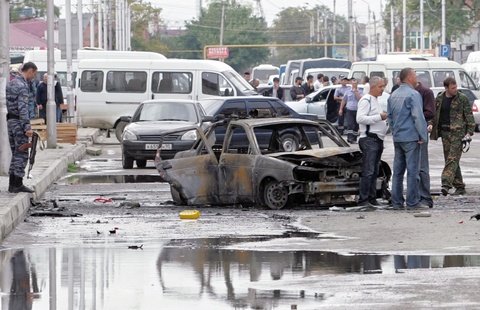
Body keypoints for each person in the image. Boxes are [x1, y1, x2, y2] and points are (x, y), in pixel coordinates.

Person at [387, 67, 428, 210]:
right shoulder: (413, 94)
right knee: (412, 171)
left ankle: (396, 202)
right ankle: (412, 202)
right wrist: (423, 136)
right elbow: (418, 117)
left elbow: (390, 118)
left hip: (398, 137)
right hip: (411, 138)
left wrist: (395, 132)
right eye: (415, 75)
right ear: (409, 78)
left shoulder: (393, 95)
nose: (417, 77)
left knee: (397, 172)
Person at [431, 77, 475, 196]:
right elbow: (435, 115)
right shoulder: (440, 98)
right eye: (452, 88)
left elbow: (469, 116)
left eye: (456, 87)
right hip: (445, 133)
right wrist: (431, 125)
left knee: (452, 159)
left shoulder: (462, 99)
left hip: (458, 134)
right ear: (446, 88)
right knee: (451, 160)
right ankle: (460, 186)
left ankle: (446, 184)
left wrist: (469, 132)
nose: (455, 89)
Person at [6, 62, 38, 193]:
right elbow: (22, 108)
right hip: (19, 123)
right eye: (34, 74)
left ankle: (12, 184)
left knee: (15, 153)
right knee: (22, 153)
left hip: (10, 121)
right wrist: (27, 127)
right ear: (29, 71)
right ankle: (18, 183)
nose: (34, 77)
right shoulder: (22, 86)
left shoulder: (11, 83)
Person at [356, 76, 388, 207]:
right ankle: (363, 200)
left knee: (374, 171)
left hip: (377, 139)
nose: (382, 89)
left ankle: (372, 198)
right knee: (368, 171)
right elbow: (360, 118)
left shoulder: (375, 100)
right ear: (373, 87)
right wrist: (379, 117)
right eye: (380, 87)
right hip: (369, 139)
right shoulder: (366, 100)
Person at [415, 79, 436, 207]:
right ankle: (414, 196)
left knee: (421, 167)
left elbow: (430, 113)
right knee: (411, 168)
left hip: (420, 134)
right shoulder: (401, 91)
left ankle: (425, 198)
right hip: (405, 136)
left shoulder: (425, 92)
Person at [339, 78, 363, 143]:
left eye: (355, 83)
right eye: (353, 83)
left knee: (356, 125)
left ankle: (354, 138)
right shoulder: (347, 91)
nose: (354, 84)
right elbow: (344, 100)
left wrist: (356, 92)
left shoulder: (360, 91)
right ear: (351, 84)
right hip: (349, 110)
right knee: (350, 124)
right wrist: (341, 109)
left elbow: (360, 99)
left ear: (357, 84)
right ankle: (350, 138)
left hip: (357, 110)